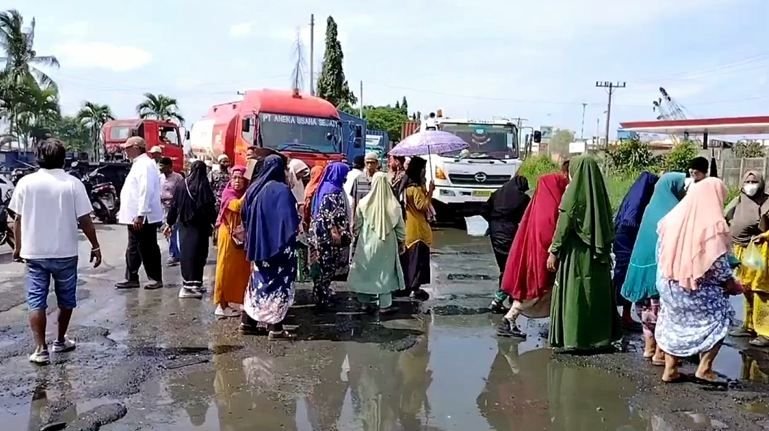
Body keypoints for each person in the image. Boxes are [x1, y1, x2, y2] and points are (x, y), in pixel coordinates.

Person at [9, 138, 102, 365]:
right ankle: (60, 341)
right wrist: (95, 246)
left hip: (34, 253)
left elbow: (17, 220)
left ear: (38, 157)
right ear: (63, 158)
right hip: (65, 252)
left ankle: (40, 349)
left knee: (36, 301)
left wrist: (18, 247)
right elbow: (85, 220)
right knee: (66, 299)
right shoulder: (73, 184)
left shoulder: (25, 183)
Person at [655, 177, 737, 383]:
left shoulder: (672, 219)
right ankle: (705, 368)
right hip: (694, 290)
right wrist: (731, 284)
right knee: (723, 316)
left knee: (673, 323)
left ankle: (671, 369)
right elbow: (718, 266)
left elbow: (660, 253)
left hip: (669, 286)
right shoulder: (712, 226)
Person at [547, 156, 621, 352]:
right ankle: (600, 338)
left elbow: (563, 227)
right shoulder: (601, 196)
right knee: (596, 295)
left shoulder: (571, 195)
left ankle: (575, 339)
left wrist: (553, 252)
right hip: (598, 256)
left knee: (576, 294)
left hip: (576, 255)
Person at [622, 172, 686, 365]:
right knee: (662, 313)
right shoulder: (674, 211)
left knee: (646, 312)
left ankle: (649, 348)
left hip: (640, 270)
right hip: (659, 272)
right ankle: (660, 352)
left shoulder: (650, 207)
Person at [498, 173, 568, 338]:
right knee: (537, 291)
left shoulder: (537, 206)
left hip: (531, 258)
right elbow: (550, 236)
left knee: (535, 291)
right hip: (543, 260)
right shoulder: (551, 212)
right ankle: (509, 319)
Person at [241, 155, 300, 339]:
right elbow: (290, 220)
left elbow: (244, 214)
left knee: (258, 283)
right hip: (280, 247)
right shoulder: (282, 190)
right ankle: (275, 327)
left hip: (259, 247)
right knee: (278, 284)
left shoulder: (254, 189)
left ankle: (247, 322)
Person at [348, 172, 406, 313]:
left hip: (366, 241)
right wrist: (401, 242)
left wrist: (355, 237)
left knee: (366, 271)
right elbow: (400, 229)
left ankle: (364, 302)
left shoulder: (363, 203)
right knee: (385, 272)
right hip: (387, 243)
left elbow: (357, 225)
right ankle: (385, 305)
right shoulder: (394, 205)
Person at [725, 171, 769, 347]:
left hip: (760, 252)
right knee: (746, 288)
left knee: (761, 291)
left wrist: (764, 236)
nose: (750, 185)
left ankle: (765, 332)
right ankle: (749, 325)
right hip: (741, 250)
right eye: (748, 181)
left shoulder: (767, 203)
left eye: (754, 181)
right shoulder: (739, 200)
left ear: (761, 183)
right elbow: (726, 216)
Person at [115, 136, 164, 290]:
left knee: (147, 247)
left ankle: (155, 278)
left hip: (143, 216)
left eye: (127, 148)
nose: (125, 151)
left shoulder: (145, 165)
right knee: (134, 247)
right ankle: (131, 277)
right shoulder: (139, 164)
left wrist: (141, 213)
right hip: (135, 215)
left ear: (136, 147)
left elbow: (146, 190)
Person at [612, 172, 659, 330]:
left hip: (624, 240)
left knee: (624, 277)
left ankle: (622, 314)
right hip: (626, 241)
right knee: (625, 277)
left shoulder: (633, 198)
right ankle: (622, 315)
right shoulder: (637, 204)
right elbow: (632, 223)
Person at [166, 161, 218, 298]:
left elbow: (174, 205)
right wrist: (215, 222)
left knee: (187, 254)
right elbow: (210, 207)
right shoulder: (204, 185)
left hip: (185, 225)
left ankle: (188, 286)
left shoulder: (182, 185)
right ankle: (196, 284)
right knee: (200, 255)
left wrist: (169, 222)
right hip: (201, 227)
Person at [482, 175, 531, 314]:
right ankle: (498, 300)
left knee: (504, 267)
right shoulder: (523, 199)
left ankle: (507, 294)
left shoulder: (497, 193)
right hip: (509, 233)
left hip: (494, 231)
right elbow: (526, 217)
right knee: (512, 268)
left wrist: (493, 220)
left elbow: (483, 209)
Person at [309, 162, 352, 308]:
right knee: (328, 266)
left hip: (318, 233)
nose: (345, 177)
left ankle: (319, 294)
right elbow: (336, 215)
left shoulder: (323, 187)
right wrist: (342, 231)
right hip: (328, 236)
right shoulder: (334, 191)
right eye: (344, 174)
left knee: (320, 265)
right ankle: (323, 297)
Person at [213, 165, 250, 317]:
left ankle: (236, 300)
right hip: (228, 236)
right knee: (224, 269)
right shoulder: (228, 193)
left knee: (240, 270)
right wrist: (250, 191)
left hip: (240, 235)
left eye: (241, 178)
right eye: (234, 178)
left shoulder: (242, 192)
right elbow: (237, 206)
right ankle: (221, 304)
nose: (237, 181)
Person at [400, 156, 434, 301]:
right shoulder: (415, 189)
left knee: (410, 261)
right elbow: (423, 206)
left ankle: (409, 286)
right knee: (417, 262)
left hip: (409, 229)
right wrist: (431, 192)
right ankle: (414, 288)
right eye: (423, 170)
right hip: (418, 231)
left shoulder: (406, 188)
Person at [159, 157, 184, 266]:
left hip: (175, 208)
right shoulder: (159, 177)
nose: (160, 168)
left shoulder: (178, 177)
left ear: (169, 167)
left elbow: (181, 192)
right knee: (166, 231)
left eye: (162, 166)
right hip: (163, 207)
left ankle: (174, 254)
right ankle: (174, 253)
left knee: (174, 230)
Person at [350, 152, 380, 216]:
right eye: (367, 162)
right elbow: (354, 200)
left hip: (375, 216)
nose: (369, 165)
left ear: (377, 163)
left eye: (372, 163)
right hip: (361, 216)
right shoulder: (358, 179)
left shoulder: (380, 179)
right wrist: (352, 218)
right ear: (364, 163)